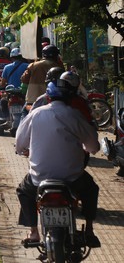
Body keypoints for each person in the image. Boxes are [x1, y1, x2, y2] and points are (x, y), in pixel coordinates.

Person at [15, 71, 101, 247]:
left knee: (23, 191)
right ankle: (90, 230)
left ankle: (33, 232)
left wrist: (23, 150)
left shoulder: (36, 113)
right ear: (70, 96)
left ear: (49, 96)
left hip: (39, 178)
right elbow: (93, 147)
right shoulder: (75, 115)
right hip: (72, 178)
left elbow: (19, 143)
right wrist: (85, 148)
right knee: (91, 189)